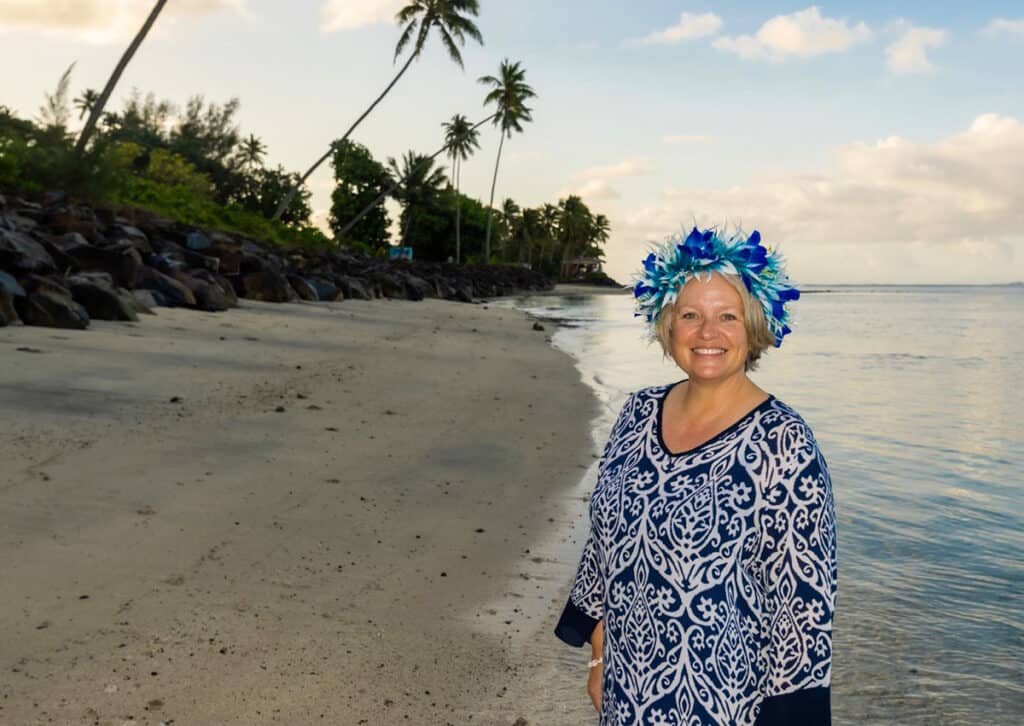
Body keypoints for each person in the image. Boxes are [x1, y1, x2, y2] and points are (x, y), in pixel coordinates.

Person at [555, 227, 837, 726]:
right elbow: (605, 542)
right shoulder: (638, 412)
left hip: (724, 701)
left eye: (727, 317)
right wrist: (599, 652)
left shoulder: (784, 441)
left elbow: (802, 609)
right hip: (628, 692)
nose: (708, 334)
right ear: (668, 326)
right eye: (691, 316)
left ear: (754, 328)